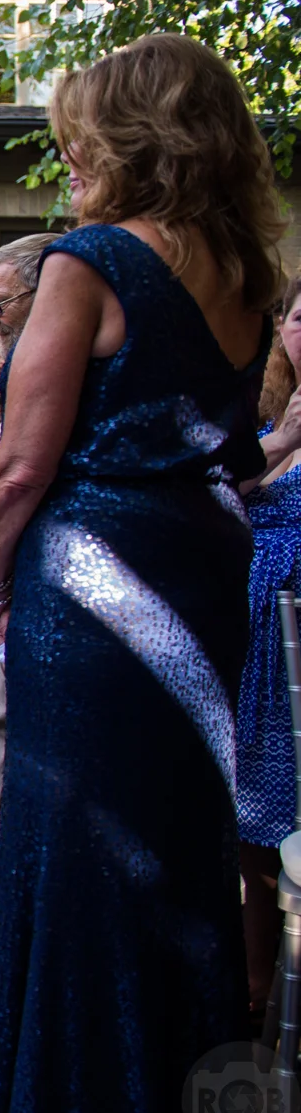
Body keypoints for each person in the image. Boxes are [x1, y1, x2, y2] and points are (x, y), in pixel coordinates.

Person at [0, 34, 285, 1113]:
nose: (70, 156)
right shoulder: (248, 274)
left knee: (72, 850)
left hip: (92, 585)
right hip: (199, 575)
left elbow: (18, 464)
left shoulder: (87, 259)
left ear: (127, 136)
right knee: (178, 848)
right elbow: (236, 448)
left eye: (80, 135)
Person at [237, 274, 301, 1027]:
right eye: (298, 317)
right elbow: (225, 483)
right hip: (249, 643)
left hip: (294, 654)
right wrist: (282, 439)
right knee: (249, 821)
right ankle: (255, 991)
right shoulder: (267, 410)